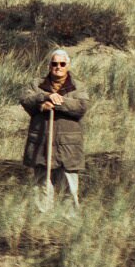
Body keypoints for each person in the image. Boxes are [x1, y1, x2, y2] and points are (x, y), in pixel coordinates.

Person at [21, 49, 89, 212]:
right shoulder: (36, 84)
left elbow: (81, 107)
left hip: (68, 147)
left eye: (62, 64)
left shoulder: (79, 86)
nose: (58, 67)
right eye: (54, 63)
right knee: (41, 187)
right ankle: (42, 224)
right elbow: (25, 99)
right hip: (41, 144)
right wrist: (43, 100)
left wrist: (59, 101)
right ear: (49, 65)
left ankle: (69, 224)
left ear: (68, 65)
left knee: (69, 189)